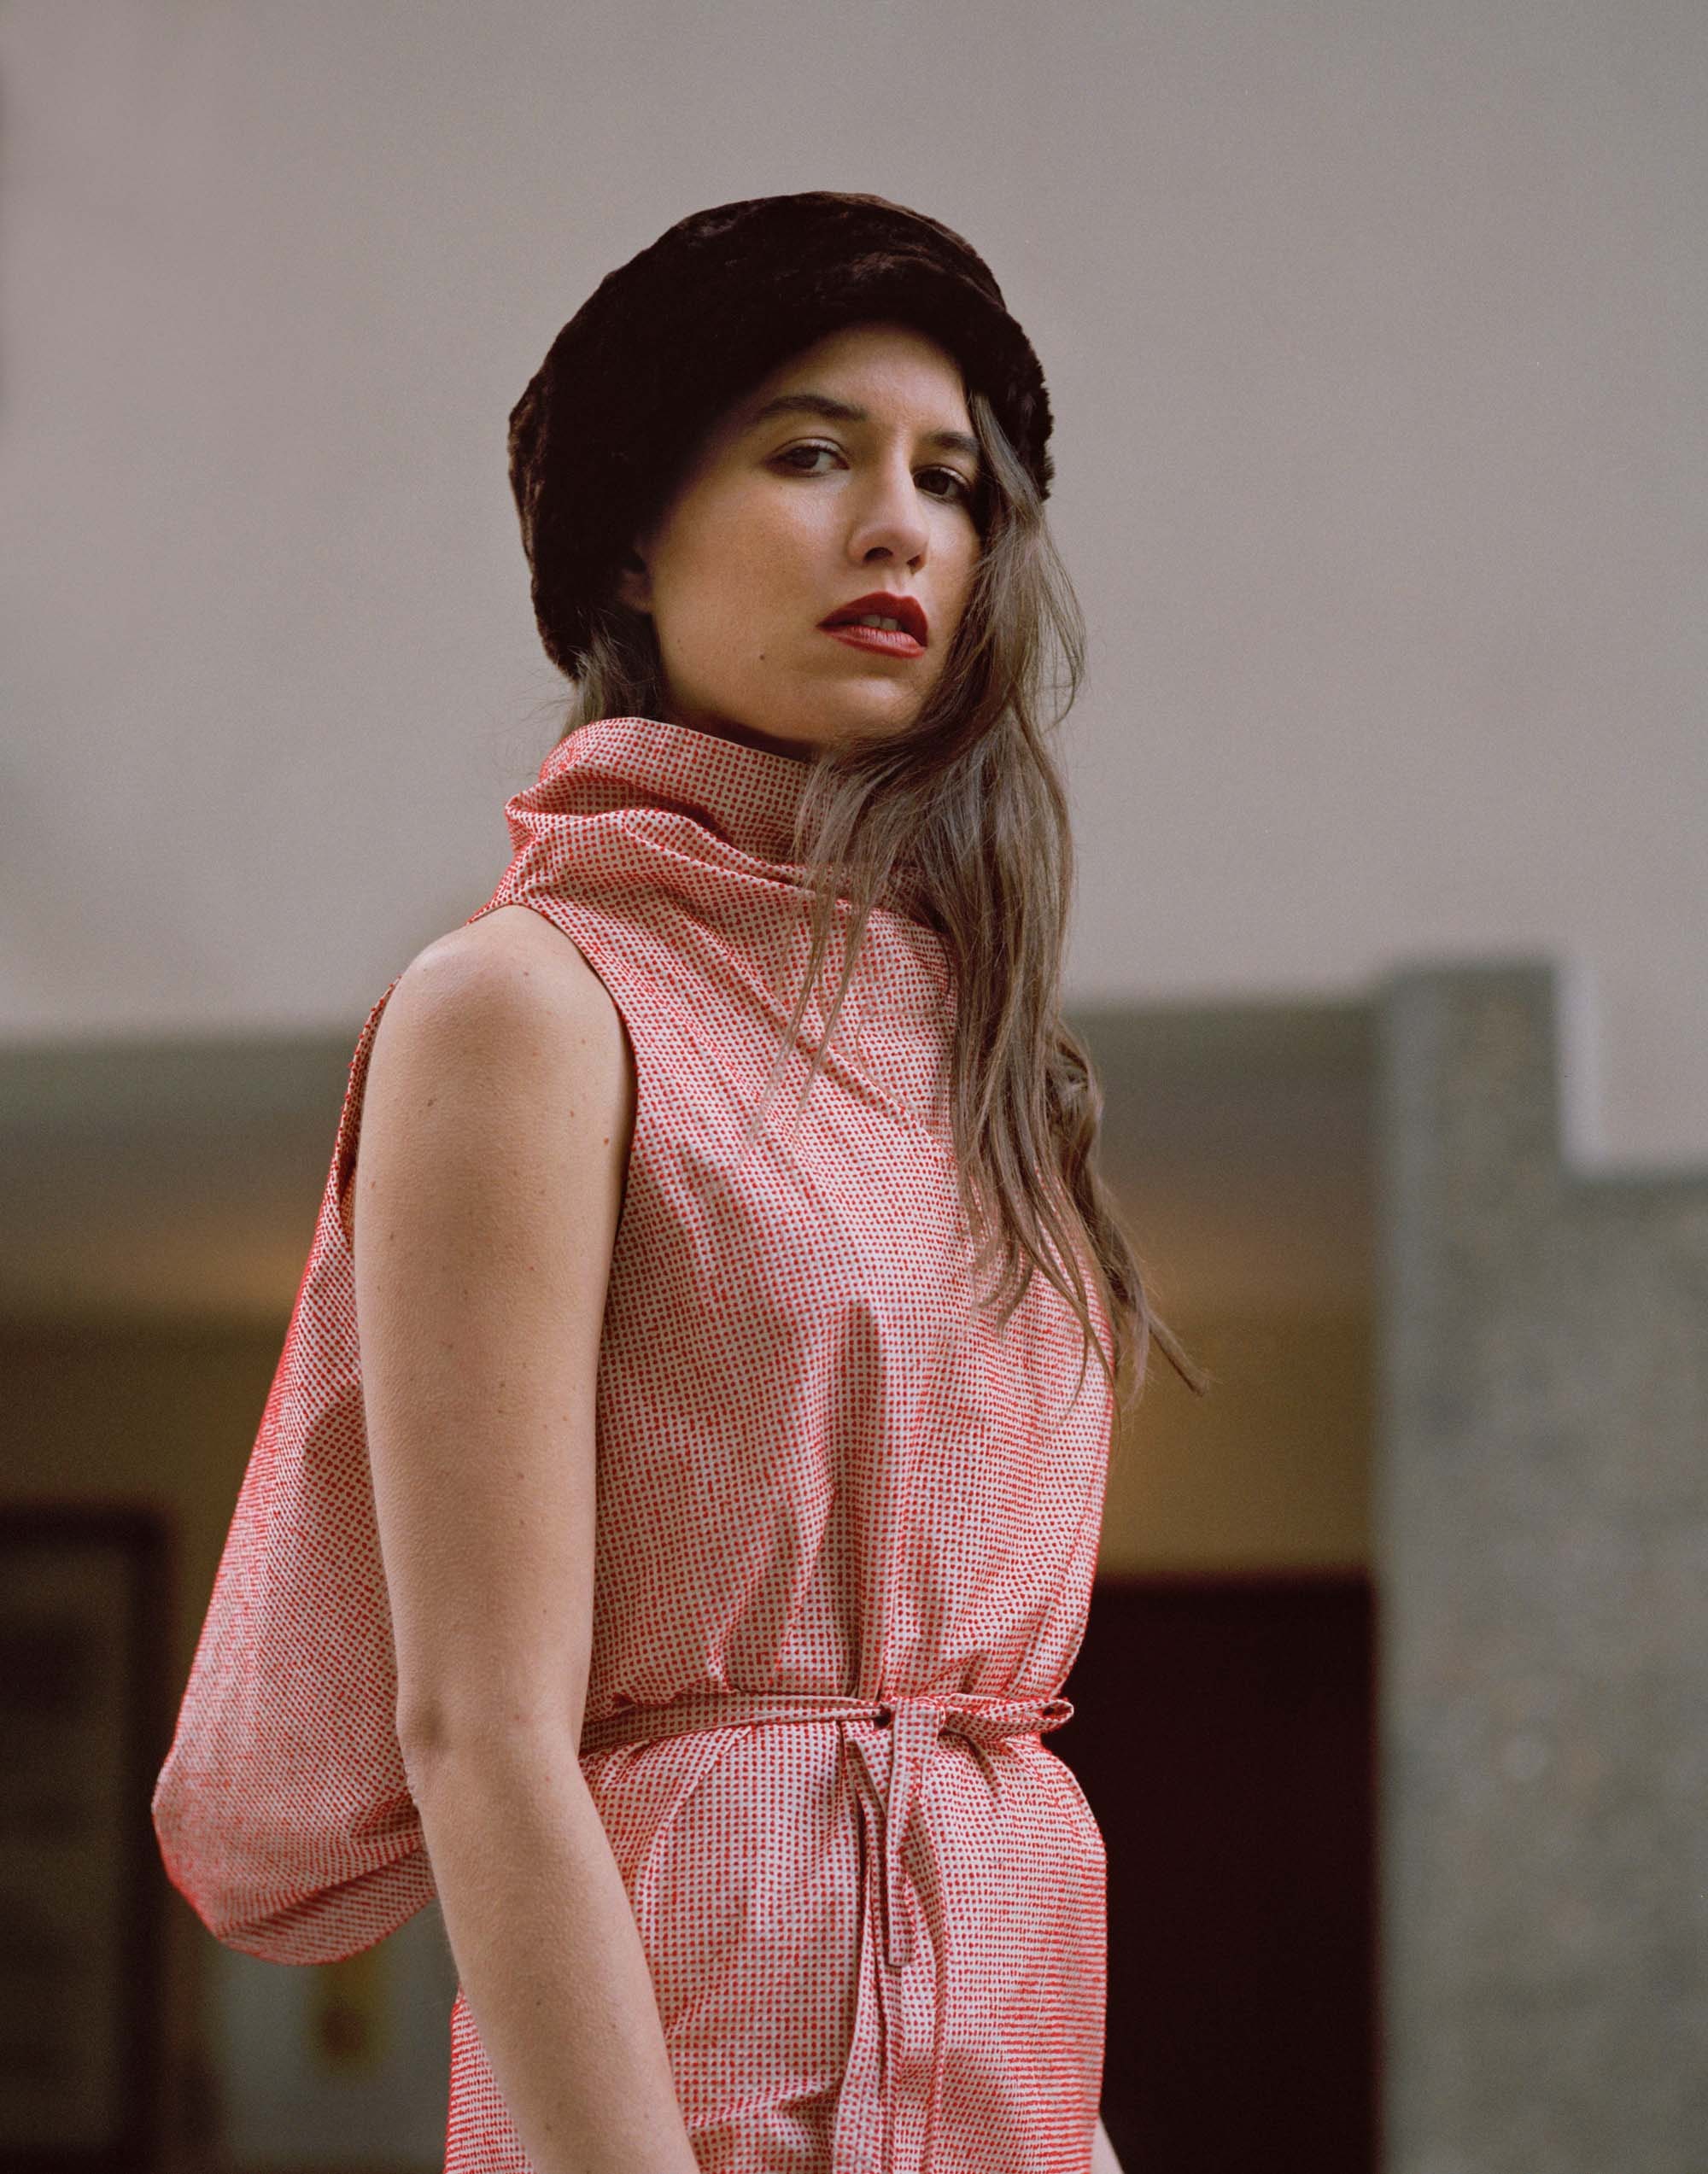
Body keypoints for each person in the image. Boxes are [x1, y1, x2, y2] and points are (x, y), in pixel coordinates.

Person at [152, 191, 1209, 2174]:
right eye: (810, 454)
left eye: (951, 481)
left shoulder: (971, 1038)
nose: (900, 527)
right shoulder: (528, 1008)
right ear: (632, 539)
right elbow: (479, 1734)